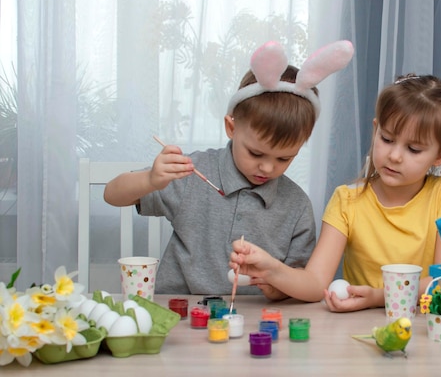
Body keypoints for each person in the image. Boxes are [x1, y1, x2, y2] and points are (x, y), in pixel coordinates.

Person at [103, 40, 354, 299]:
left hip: (252, 321)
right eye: (256, 153)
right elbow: (112, 194)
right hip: (179, 311)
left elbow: (298, 284)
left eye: (284, 159)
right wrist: (150, 179)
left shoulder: (296, 206)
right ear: (231, 128)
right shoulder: (192, 174)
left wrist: (271, 281)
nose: (267, 167)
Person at [230, 74, 441, 312]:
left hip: (424, 331)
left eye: (413, 149)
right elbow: (314, 283)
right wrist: (271, 268)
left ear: (440, 155)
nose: (394, 156)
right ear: (375, 129)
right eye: (387, 139)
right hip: (356, 332)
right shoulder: (347, 201)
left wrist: (379, 296)